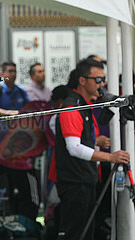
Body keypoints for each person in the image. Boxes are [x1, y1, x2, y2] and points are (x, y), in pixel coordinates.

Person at [55, 58, 129, 240]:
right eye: (97, 80)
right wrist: (110, 157)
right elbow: (73, 148)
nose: (101, 85)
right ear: (82, 80)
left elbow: (78, 140)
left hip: (85, 180)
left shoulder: (84, 105)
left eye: (103, 80)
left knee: (86, 232)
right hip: (75, 182)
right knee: (76, 233)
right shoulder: (72, 107)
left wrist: (95, 141)